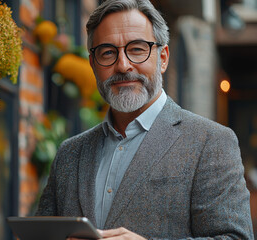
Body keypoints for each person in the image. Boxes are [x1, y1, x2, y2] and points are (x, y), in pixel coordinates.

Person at [36, 0, 254, 239]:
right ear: (93, 63)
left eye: (137, 49)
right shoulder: (69, 153)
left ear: (163, 58)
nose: (123, 65)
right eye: (108, 52)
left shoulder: (211, 142)